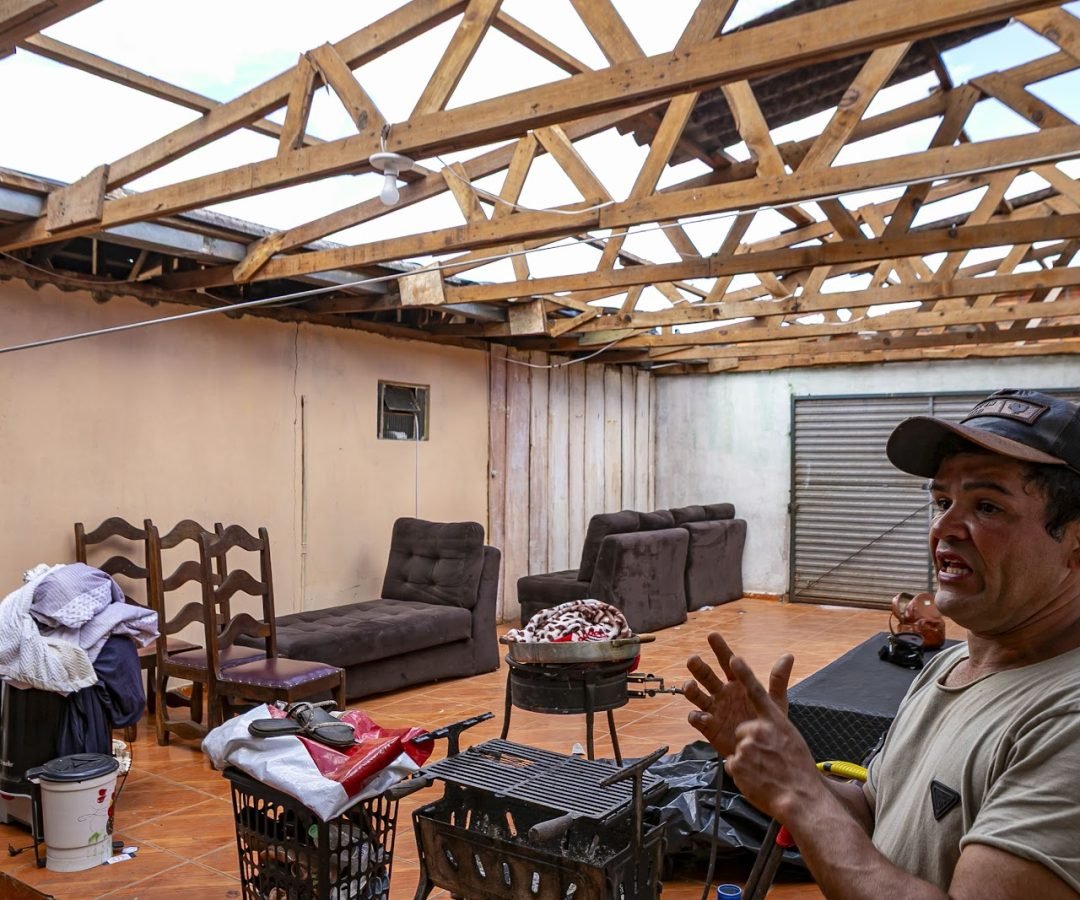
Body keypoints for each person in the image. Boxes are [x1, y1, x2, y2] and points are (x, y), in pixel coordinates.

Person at [684, 388, 1080, 899]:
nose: (943, 527)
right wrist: (787, 767)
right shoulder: (947, 667)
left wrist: (800, 795)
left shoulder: (1067, 720)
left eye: (987, 506)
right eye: (942, 502)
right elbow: (874, 811)